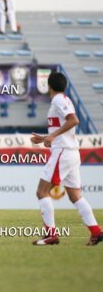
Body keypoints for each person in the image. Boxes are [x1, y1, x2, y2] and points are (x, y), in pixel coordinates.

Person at [30, 72, 102, 246]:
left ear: (49, 86)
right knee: (75, 196)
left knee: (42, 191)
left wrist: (53, 136)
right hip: (71, 152)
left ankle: (51, 235)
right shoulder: (64, 99)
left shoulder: (58, 100)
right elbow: (64, 123)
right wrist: (44, 137)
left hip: (63, 151)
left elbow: (73, 120)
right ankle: (96, 231)